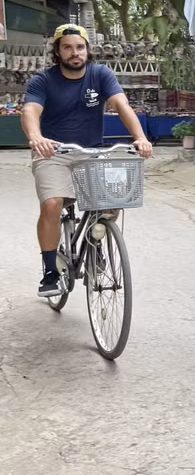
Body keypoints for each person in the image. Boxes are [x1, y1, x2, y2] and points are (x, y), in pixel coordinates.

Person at [21, 24, 153, 297]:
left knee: (114, 200)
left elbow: (121, 105)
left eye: (79, 47)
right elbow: (30, 110)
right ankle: (50, 270)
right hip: (53, 152)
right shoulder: (43, 80)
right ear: (58, 51)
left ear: (87, 50)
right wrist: (36, 137)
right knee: (53, 203)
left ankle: (96, 243)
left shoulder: (100, 74)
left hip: (92, 153)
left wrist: (140, 137)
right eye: (67, 47)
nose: (74, 52)